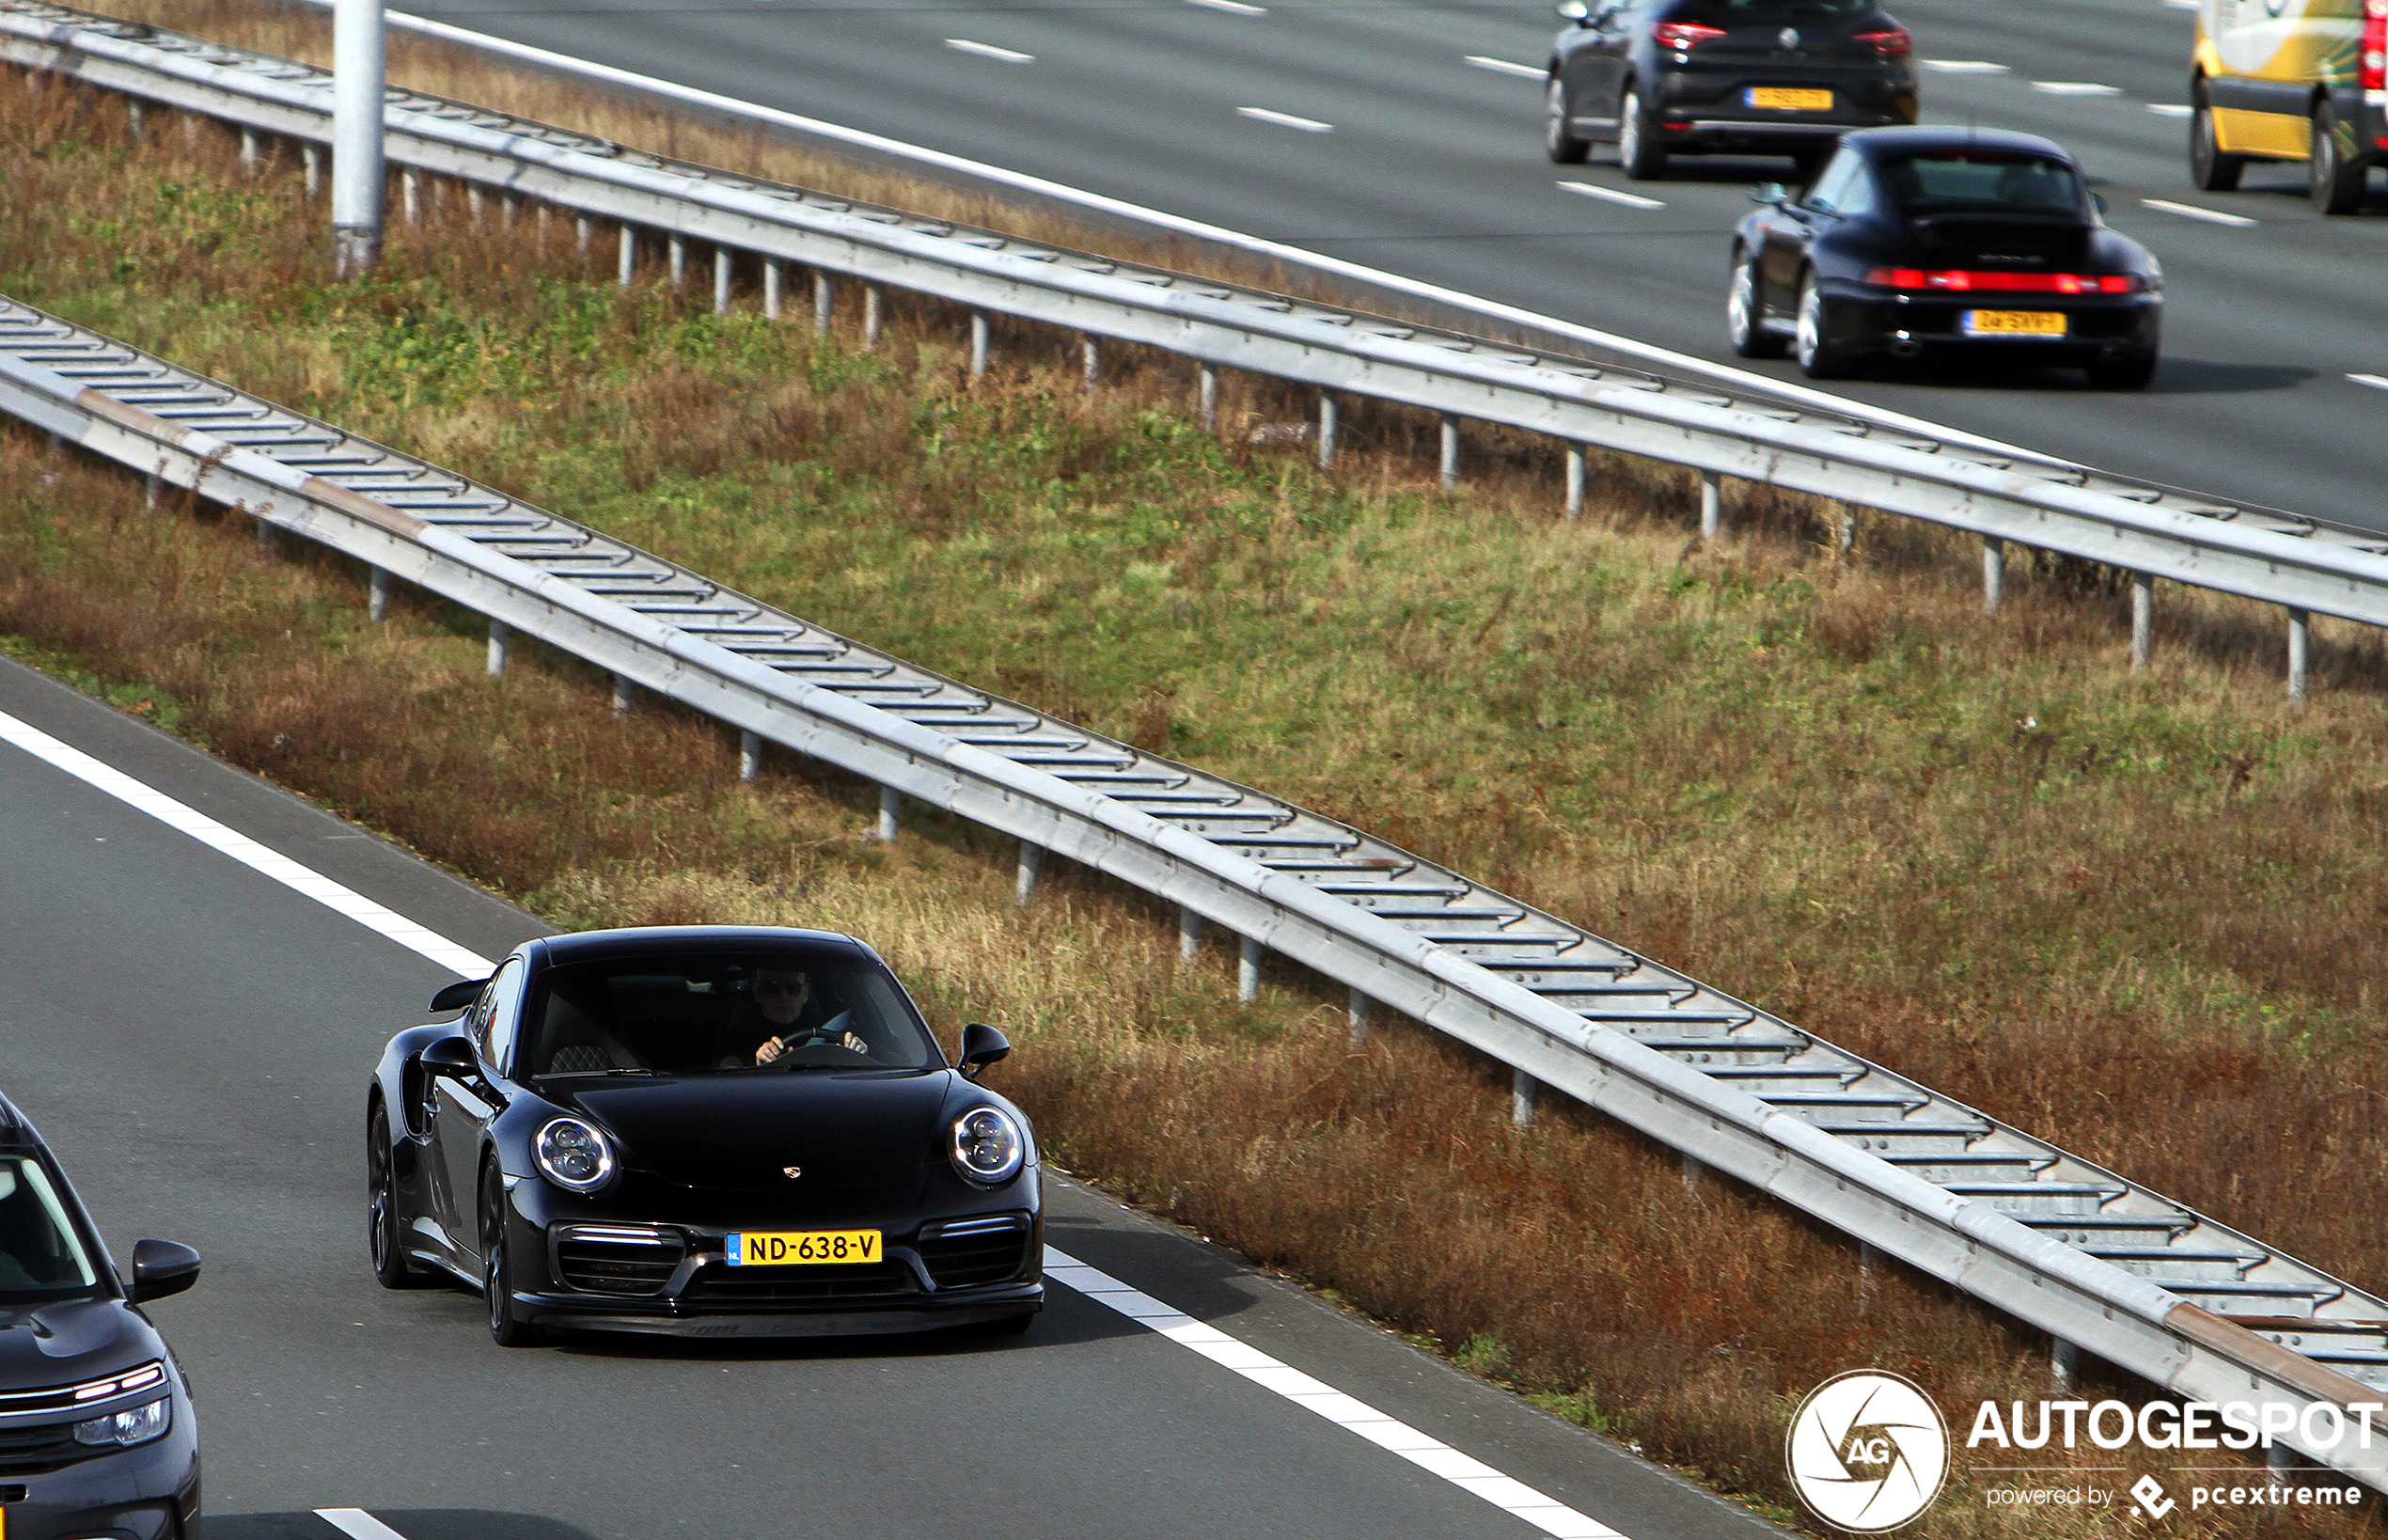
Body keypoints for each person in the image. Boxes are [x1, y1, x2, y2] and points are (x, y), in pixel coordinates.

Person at [724, 964, 870, 1067]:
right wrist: (757, 1067)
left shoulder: (834, 1035)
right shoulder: (735, 1043)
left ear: (805, 993)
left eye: (793, 988)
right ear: (756, 992)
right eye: (771, 987)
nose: (783, 996)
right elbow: (728, 1085)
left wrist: (859, 1057)